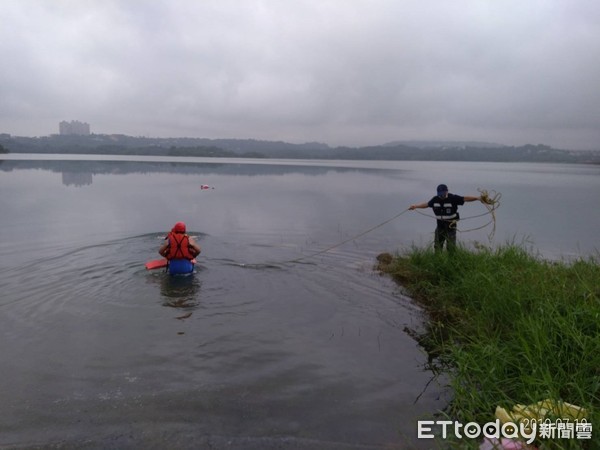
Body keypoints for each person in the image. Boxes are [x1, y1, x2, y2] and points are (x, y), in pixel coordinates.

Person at [409, 184, 482, 252]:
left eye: (443, 194)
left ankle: (451, 262)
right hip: (440, 227)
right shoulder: (435, 199)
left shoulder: (453, 198)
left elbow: (465, 198)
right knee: (437, 246)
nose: (441, 196)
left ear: (447, 191)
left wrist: (478, 198)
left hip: (451, 228)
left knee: (451, 247)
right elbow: (427, 204)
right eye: (440, 194)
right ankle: (438, 260)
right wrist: (415, 206)